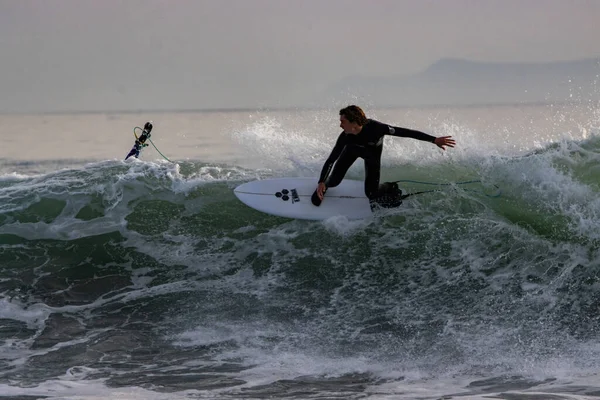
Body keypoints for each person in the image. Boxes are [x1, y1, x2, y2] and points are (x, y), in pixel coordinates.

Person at [312, 105, 455, 206]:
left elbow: (405, 132)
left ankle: (389, 187)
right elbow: (331, 160)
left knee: (372, 194)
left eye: (342, 122)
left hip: (371, 155)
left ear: (354, 122)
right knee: (333, 181)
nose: (340, 125)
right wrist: (321, 182)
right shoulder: (345, 137)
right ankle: (324, 188)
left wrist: (434, 139)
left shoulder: (376, 128)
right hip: (352, 151)